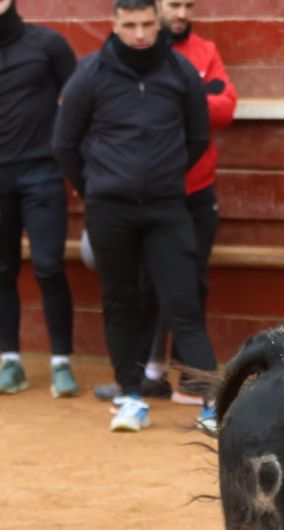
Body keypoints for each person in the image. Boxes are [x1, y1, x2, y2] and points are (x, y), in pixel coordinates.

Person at [54, 0, 219, 434]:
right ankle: (130, 397)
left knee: (184, 302)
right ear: (115, 24)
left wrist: (163, 176)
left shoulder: (180, 72)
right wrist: (97, 187)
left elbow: (198, 136)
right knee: (121, 303)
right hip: (111, 210)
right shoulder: (90, 74)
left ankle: (212, 404)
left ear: (157, 21)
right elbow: (65, 144)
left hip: (167, 208)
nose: (141, 33)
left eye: (148, 23)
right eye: (130, 25)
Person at [93, 0, 236, 406]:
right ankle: (140, 379)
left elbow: (225, 108)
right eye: (175, 4)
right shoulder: (117, 65)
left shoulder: (203, 52)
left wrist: (179, 101)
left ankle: (190, 382)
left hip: (191, 191)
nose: (182, 13)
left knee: (188, 289)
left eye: (189, 5)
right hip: (134, 199)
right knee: (137, 291)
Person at [0, 0, 79, 400]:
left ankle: (61, 362)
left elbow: (80, 103)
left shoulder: (48, 44)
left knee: (48, 266)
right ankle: (9, 361)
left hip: (42, 173)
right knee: (2, 270)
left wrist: (79, 164)